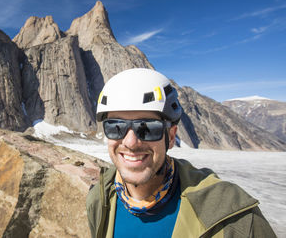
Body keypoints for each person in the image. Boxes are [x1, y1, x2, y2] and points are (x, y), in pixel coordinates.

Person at [86, 68, 276, 238]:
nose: (130, 142)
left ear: (171, 135)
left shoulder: (235, 217)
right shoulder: (99, 198)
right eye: (116, 127)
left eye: (147, 128)